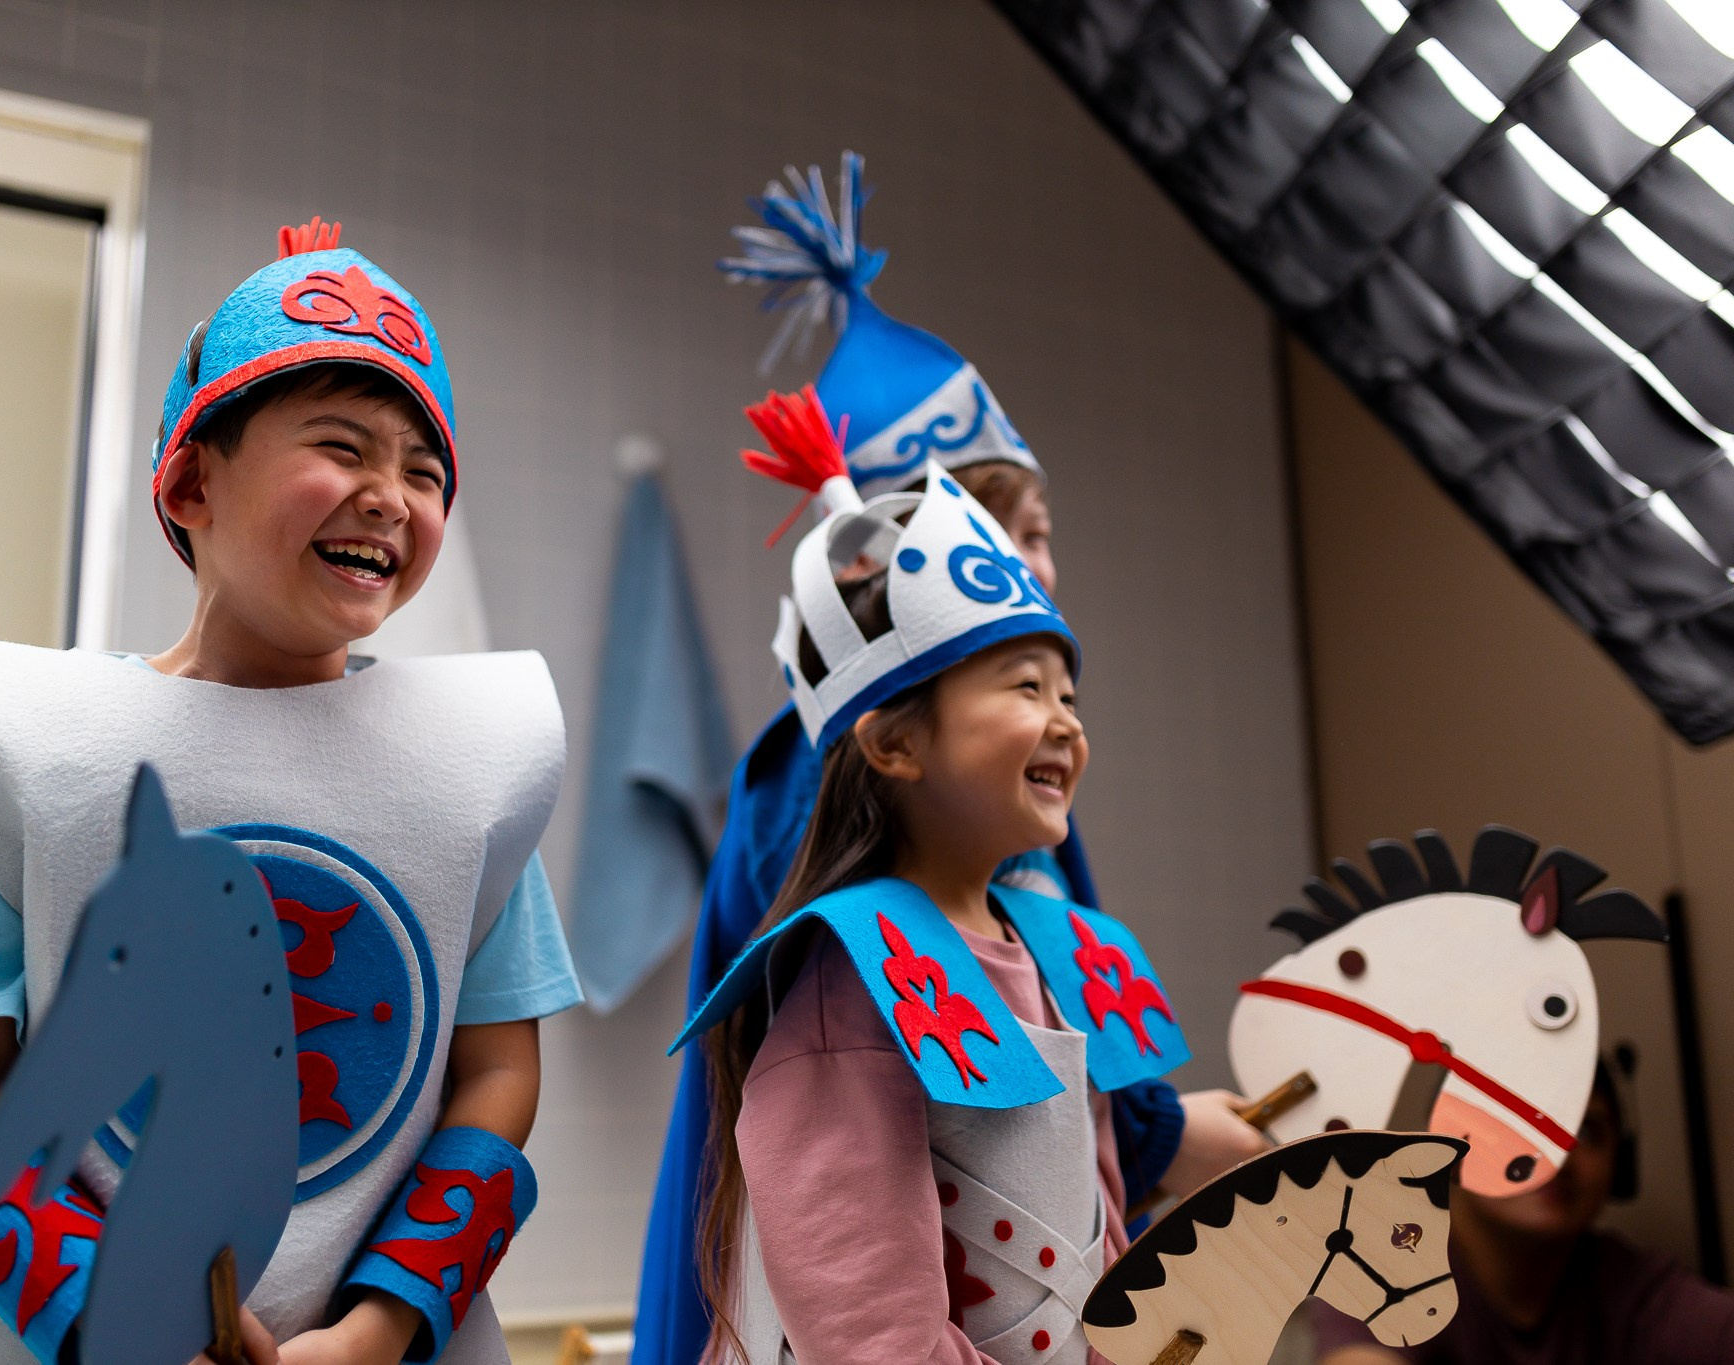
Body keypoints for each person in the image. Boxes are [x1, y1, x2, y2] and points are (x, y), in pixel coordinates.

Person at [0, 220, 581, 1365]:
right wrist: (107, 1314)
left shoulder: (471, 760)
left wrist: (380, 1329)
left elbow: (497, 1067)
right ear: (193, 480)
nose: (390, 496)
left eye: (424, 470)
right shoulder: (25, 748)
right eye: (342, 447)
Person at [631, 155, 1262, 1365]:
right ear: (895, 740)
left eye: (1042, 539)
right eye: (1014, 535)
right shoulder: (806, 806)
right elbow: (863, 1158)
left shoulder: (1012, 823)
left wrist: (1156, 1133)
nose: (1043, 568)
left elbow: (1034, 1088)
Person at [675, 390, 1191, 1363]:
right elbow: (874, 1334)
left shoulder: (1058, 947)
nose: (1066, 721)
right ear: (897, 743)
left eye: (1068, 692)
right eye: (1023, 688)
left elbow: (1104, 1237)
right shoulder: (856, 976)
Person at [1316, 1062, 1734, 1364]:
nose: (1555, 1155)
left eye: (1585, 1130)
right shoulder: (1381, 1266)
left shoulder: (1629, 1288)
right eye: (1514, 1123)